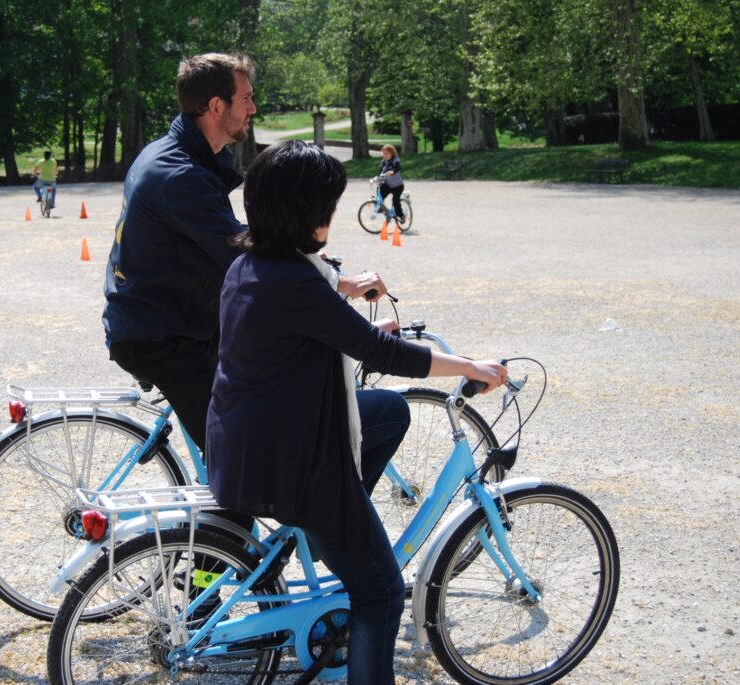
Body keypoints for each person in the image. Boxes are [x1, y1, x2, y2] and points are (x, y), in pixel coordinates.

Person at [205, 140, 507, 685]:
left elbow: (313, 335)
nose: (335, 214)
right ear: (309, 210)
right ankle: (332, 527)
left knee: (389, 412)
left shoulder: (252, 264)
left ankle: (331, 533)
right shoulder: (295, 279)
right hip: (292, 461)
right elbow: (380, 352)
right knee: (381, 592)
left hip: (250, 439)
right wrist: (469, 365)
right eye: (331, 203)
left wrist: (358, 332)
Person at [102, 53, 387, 449]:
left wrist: (303, 258)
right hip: (164, 338)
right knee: (241, 459)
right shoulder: (180, 174)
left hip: (176, 319)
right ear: (216, 106)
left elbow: (229, 239)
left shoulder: (177, 154)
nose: (253, 109)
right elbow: (241, 253)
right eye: (246, 99)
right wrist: (339, 282)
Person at [378, 143, 405, 222]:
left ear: (392, 153)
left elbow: (398, 167)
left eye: (387, 153)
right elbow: (380, 173)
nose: (385, 155)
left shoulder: (395, 160)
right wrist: (377, 178)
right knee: (380, 194)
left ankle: (401, 215)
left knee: (395, 201)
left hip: (398, 186)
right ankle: (382, 209)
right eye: (383, 153)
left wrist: (392, 172)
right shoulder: (383, 162)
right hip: (388, 185)